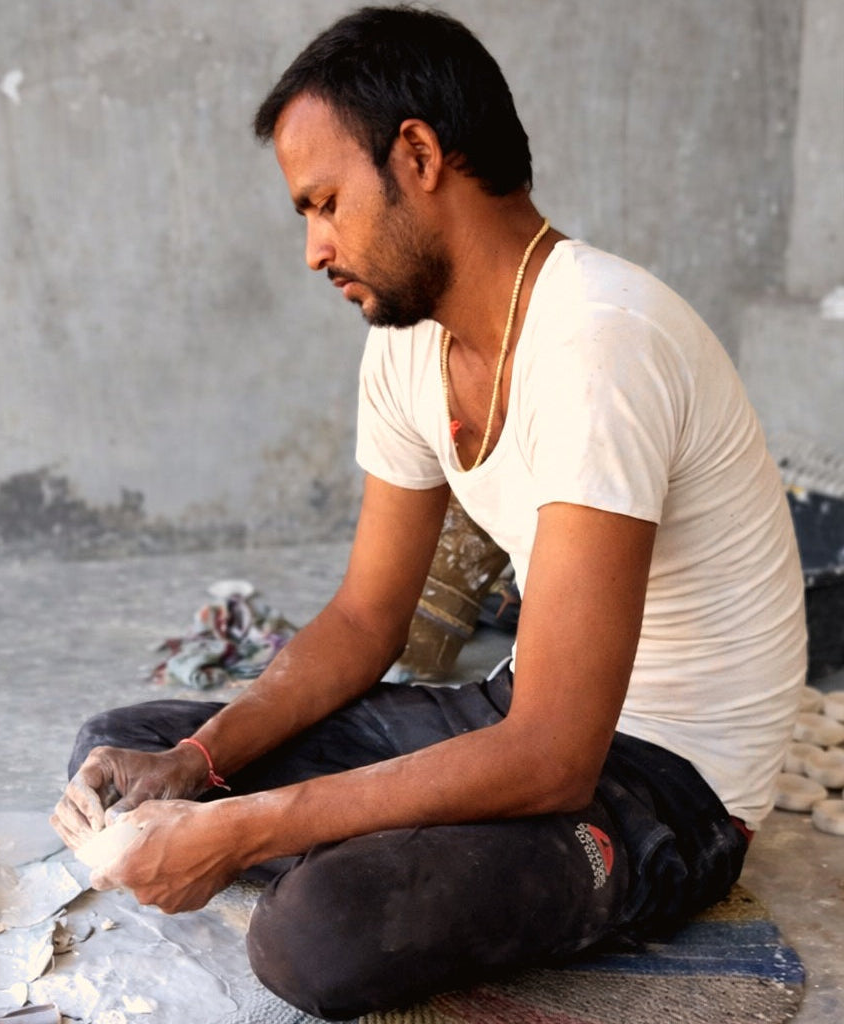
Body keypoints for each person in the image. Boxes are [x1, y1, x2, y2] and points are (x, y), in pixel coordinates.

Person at [51, 6, 807, 1019]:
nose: (313, 249)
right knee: (125, 751)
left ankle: (354, 851)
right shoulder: (408, 345)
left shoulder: (600, 342)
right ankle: (314, 825)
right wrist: (198, 764)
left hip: (668, 781)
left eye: (324, 202)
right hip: (519, 707)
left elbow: (554, 753)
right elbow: (367, 621)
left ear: (416, 155)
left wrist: (249, 827)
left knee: (318, 934)